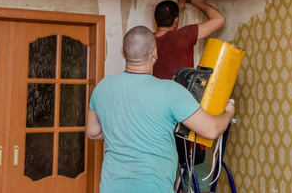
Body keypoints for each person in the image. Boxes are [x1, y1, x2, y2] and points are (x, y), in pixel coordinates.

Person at [87, 26, 235, 193]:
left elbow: (92, 132)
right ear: (155, 53)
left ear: (123, 52)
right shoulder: (170, 90)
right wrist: (228, 112)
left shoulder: (103, 86)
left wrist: (125, 133)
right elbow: (212, 130)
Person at [152, 0, 226, 80]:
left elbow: (169, 23)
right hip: (180, 92)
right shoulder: (183, 36)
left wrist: (178, 9)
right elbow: (220, 19)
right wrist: (198, 2)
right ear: (176, 19)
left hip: (155, 92)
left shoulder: (147, 39)